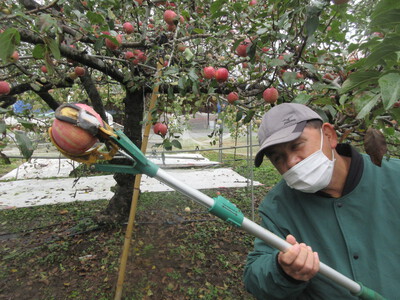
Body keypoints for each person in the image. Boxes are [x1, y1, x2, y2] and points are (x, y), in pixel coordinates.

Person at [243, 103, 400, 299]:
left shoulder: (394, 179)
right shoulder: (278, 207)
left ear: (328, 136)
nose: (291, 162)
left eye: (297, 145)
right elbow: (255, 279)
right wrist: (282, 270)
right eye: (278, 158)